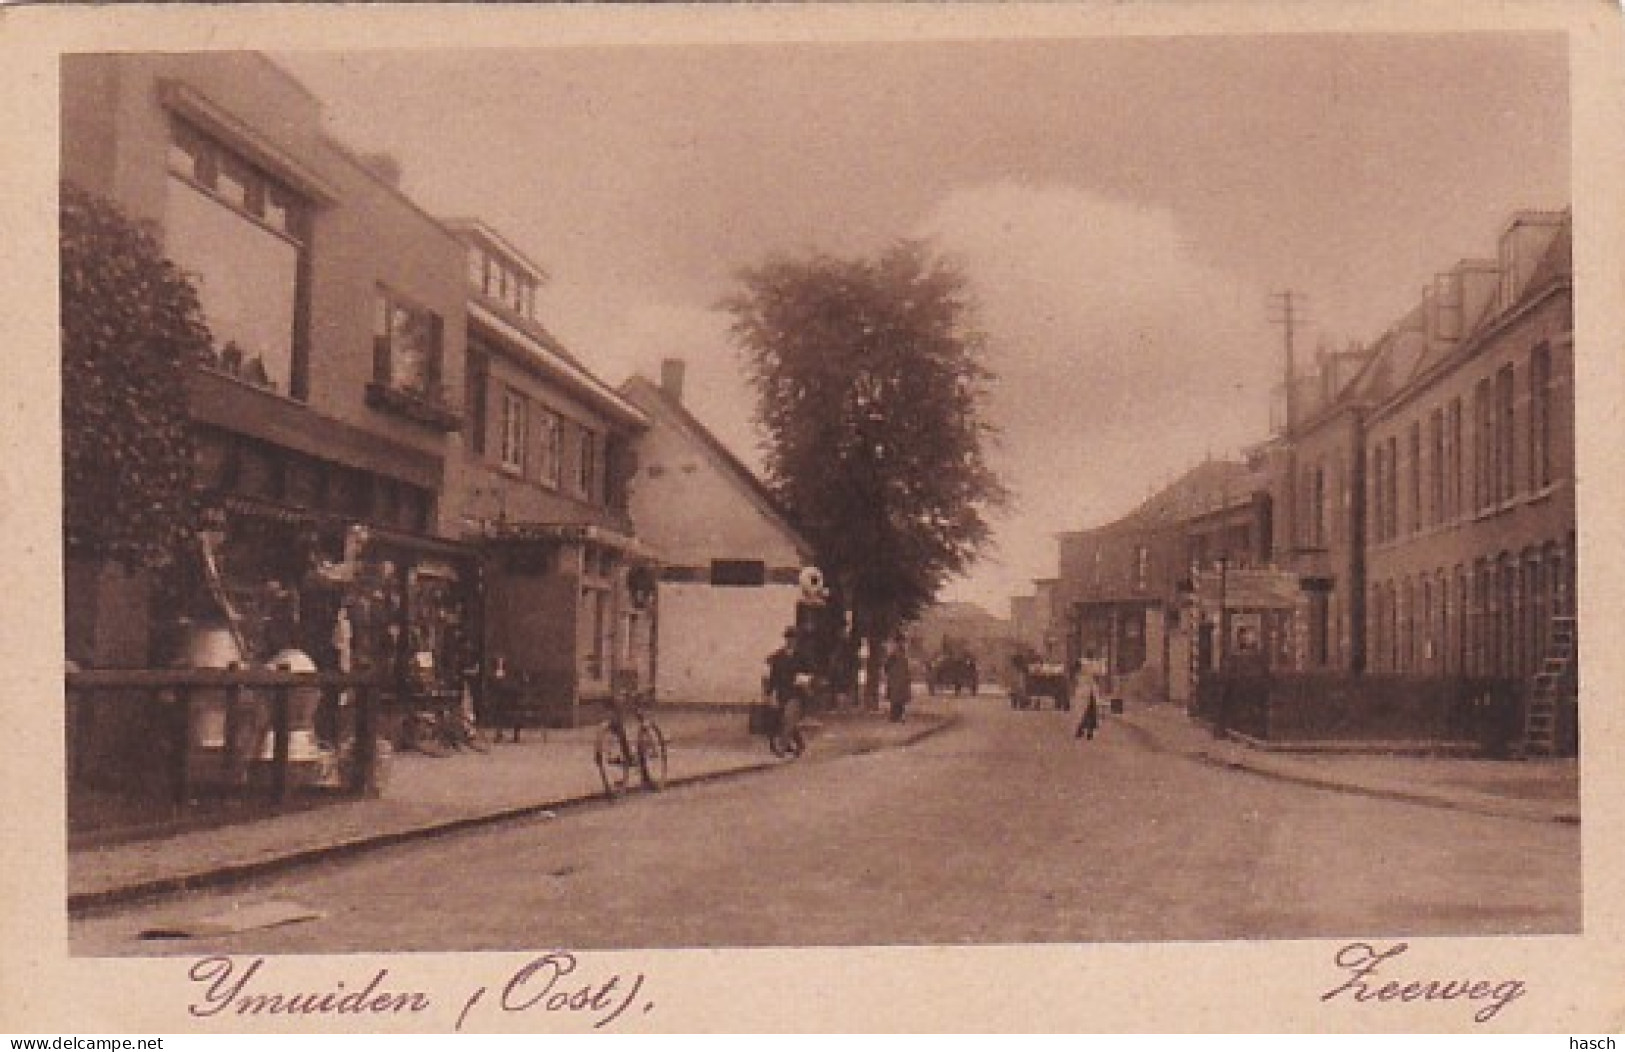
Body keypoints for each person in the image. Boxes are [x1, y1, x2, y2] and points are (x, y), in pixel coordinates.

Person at [885, 635, 912, 723]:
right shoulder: (894, 655)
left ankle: (898, 716)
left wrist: (907, 677)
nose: (901, 643)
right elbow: (887, 666)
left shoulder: (902, 654)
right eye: (900, 641)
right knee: (896, 698)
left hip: (901, 679)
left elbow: (906, 667)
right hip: (895, 679)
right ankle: (895, 717)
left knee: (900, 699)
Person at [1075, 674, 1101, 741]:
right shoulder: (1088, 685)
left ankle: (1087, 733)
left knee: (1089, 718)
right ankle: (1083, 732)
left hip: (1092, 703)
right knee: (1087, 717)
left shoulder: (1094, 686)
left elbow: (1096, 695)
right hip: (1088, 702)